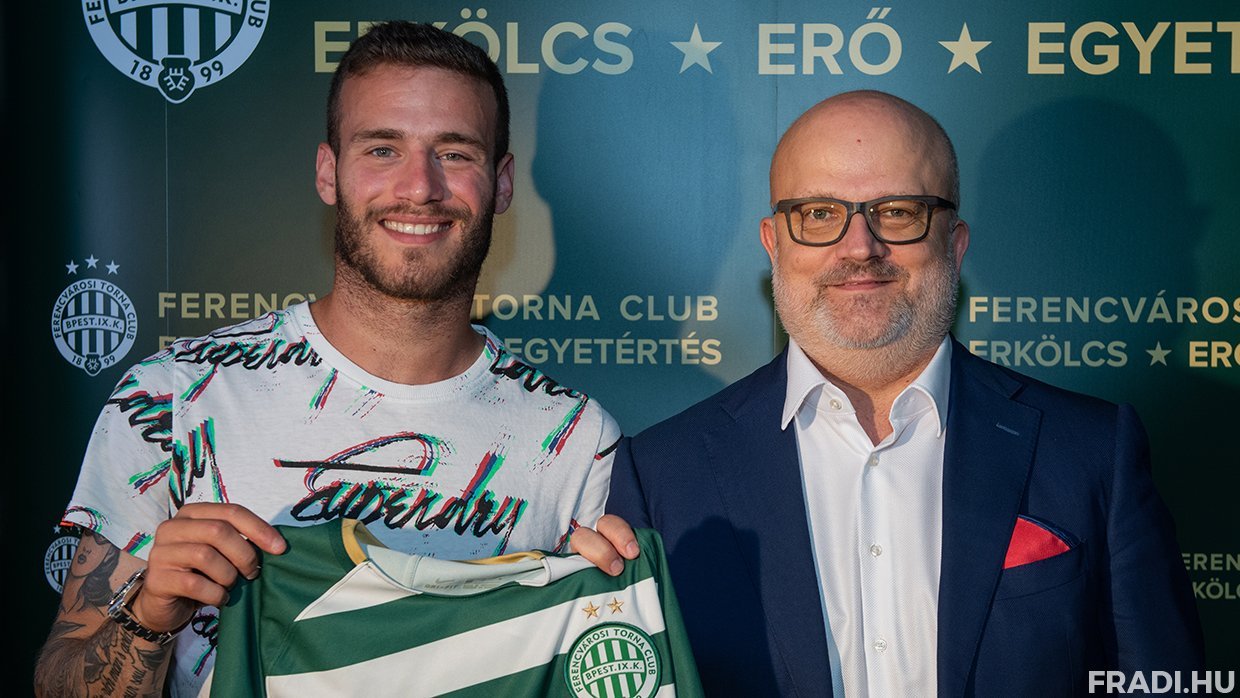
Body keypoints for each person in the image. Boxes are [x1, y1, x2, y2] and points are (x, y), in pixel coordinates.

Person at [35, 22, 630, 697]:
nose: (419, 187)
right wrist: (148, 617)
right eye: (382, 148)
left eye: (455, 153)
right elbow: (62, 683)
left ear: (500, 183)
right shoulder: (172, 399)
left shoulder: (579, 441)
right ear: (328, 172)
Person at [604, 90, 1204, 696]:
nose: (859, 246)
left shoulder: (1094, 452)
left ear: (956, 241)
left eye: (897, 211)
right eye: (817, 213)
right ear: (773, 242)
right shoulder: (662, 475)